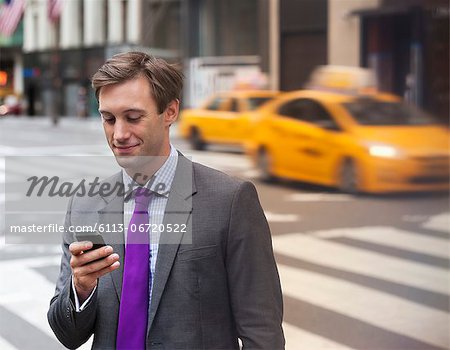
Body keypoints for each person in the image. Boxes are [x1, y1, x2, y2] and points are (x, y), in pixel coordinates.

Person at [48, 51, 285, 350]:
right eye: (108, 119)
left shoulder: (230, 201)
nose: (119, 134)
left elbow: (262, 332)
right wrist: (81, 289)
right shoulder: (84, 205)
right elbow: (67, 336)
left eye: (133, 117)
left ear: (170, 112)